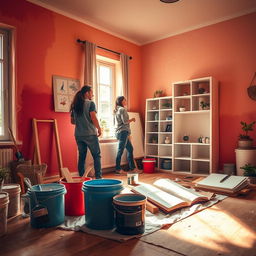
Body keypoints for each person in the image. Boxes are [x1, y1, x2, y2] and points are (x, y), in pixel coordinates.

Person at [70, 85, 102, 179]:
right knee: (96, 155)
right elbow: (93, 117)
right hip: (90, 134)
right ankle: (98, 178)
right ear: (87, 93)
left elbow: (72, 121)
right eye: (91, 92)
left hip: (79, 135)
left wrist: (81, 121)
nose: (93, 94)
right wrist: (99, 128)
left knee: (82, 156)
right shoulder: (91, 103)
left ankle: (82, 177)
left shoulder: (75, 105)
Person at [114, 96, 138, 174]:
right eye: (124, 100)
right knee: (120, 151)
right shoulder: (122, 109)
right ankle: (118, 169)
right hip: (123, 132)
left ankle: (132, 168)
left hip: (119, 132)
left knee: (130, 149)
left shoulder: (116, 110)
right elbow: (125, 121)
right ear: (121, 101)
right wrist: (132, 119)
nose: (126, 101)